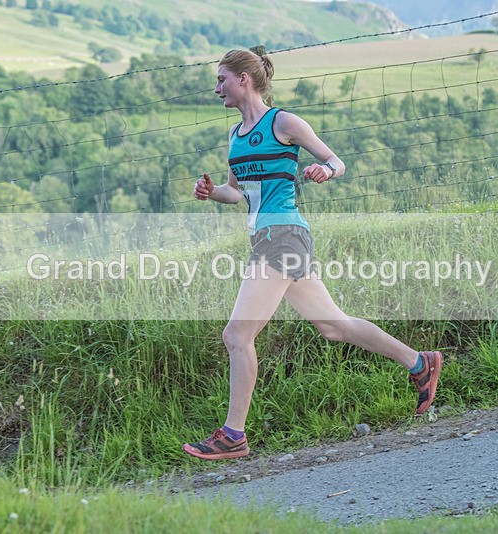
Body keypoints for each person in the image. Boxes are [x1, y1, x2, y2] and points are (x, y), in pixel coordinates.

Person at [182, 49, 442, 460]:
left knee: (237, 334)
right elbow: (237, 192)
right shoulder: (235, 136)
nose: (216, 88)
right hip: (267, 238)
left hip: (283, 236)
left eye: (221, 79)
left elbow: (335, 160)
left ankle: (233, 435)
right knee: (333, 325)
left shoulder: (282, 122)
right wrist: (212, 192)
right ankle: (419, 362)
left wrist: (326, 171)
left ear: (244, 79)